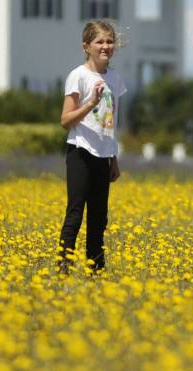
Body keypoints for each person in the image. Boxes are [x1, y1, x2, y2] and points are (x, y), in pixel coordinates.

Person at [57, 20, 126, 273]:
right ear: (86, 46)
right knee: (75, 213)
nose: (105, 46)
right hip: (81, 152)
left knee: (99, 218)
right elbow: (65, 120)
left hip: (104, 155)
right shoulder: (79, 76)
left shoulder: (115, 79)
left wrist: (114, 158)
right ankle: (63, 267)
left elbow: (111, 122)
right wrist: (90, 103)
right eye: (99, 42)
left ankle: (95, 271)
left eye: (109, 41)